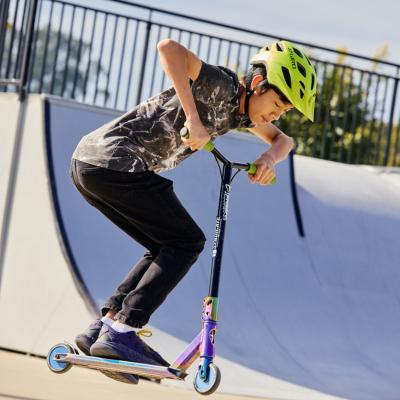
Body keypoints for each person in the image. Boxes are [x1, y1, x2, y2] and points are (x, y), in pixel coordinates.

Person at [70, 39, 317, 384]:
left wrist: (267, 159)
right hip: (116, 162)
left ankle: (104, 326)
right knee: (187, 242)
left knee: (164, 245)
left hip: (91, 165)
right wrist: (192, 117)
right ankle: (124, 330)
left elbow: (283, 141)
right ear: (258, 84)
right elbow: (169, 48)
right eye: (277, 104)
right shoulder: (221, 85)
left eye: (283, 111)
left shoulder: (241, 113)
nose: (276, 116)